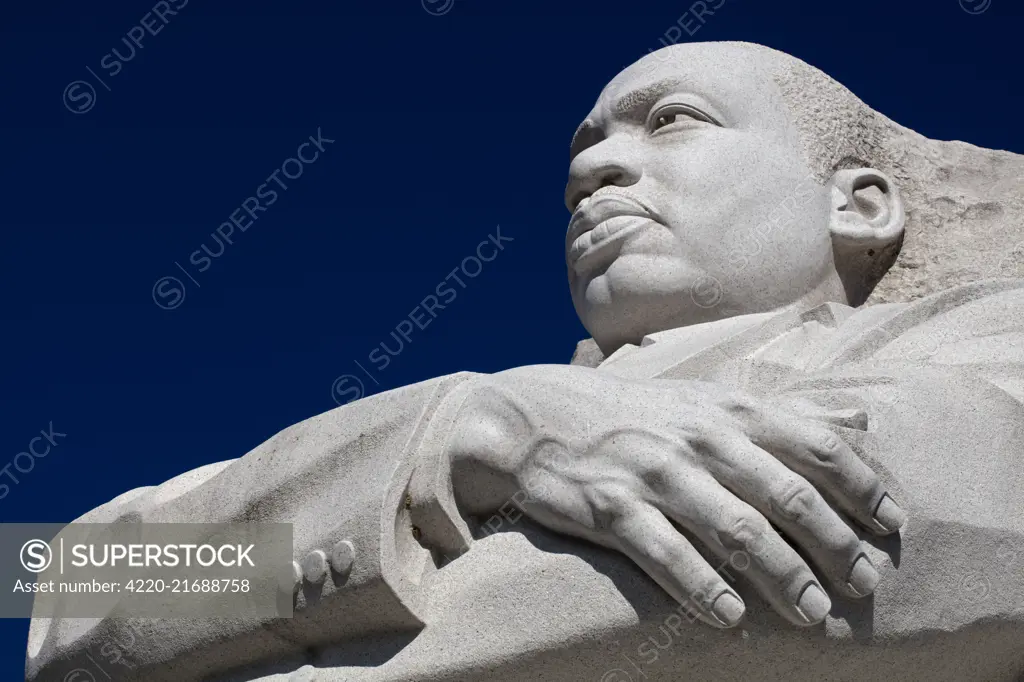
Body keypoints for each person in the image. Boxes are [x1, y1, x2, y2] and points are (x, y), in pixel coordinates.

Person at [27, 42, 1024, 682]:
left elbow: (911, 538)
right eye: (585, 146)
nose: (592, 166)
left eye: (671, 117)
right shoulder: (432, 424)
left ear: (859, 205)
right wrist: (447, 440)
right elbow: (67, 583)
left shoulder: (985, 343)